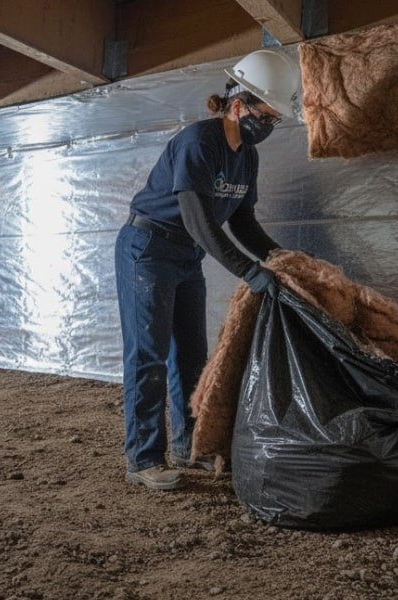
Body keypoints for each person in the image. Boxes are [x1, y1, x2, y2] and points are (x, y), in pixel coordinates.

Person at [114, 49, 301, 489]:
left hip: (186, 255)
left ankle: (187, 448)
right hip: (148, 248)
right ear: (239, 105)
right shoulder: (199, 142)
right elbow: (199, 219)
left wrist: (283, 261)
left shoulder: (246, 158)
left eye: (275, 118)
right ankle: (142, 460)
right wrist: (250, 272)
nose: (268, 125)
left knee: (192, 356)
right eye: (266, 115)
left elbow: (243, 221)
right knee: (149, 356)